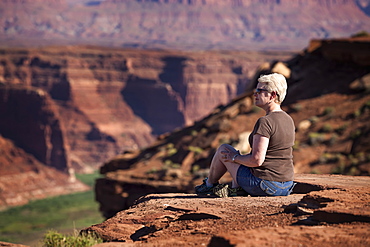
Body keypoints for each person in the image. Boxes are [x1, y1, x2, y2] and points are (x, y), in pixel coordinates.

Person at [195, 73, 296, 197]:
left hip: (266, 186)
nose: (255, 94)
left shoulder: (265, 121)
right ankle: (236, 189)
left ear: (273, 95)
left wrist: (234, 157)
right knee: (239, 159)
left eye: (259, 90)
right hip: (286, 186)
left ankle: (209, 186)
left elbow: (257, 160)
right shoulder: (288, 119)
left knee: (224, 150)